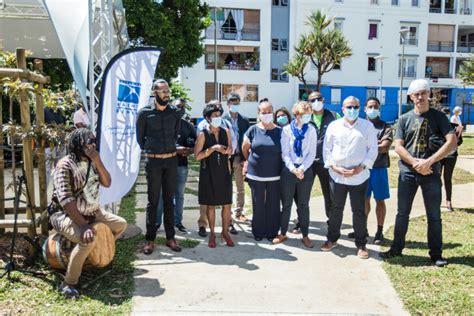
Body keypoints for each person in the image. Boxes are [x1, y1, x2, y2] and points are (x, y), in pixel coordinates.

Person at [379, 79, 457, 267]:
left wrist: (429, 161)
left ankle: (436, 254)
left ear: (428, 94)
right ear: (411, 97)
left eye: (423, 93)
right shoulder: (404, 119)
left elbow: (452, 141)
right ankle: (396, 249)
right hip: (408, 173)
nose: (420, 97)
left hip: (431, 173)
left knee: (434, 215)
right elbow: (398, 146)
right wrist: (416, 163)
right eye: (416, 94)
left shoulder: (439, 117)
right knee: (402, 213)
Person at [50, 128, 127, 298]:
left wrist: (97, 160)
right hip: (66, 215)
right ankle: (69, 282)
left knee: (121, 224)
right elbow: (66, 200)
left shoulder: (92, 161)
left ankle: (94, 255)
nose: (93, 144)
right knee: (87, 240)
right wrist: (84, 226)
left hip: (94, 212)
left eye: (94, 141)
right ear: (78, 143)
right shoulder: (65, 165)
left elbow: (107, 182)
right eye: (89, 141)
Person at [321, 96, 378, 259]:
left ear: (359, 108)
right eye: (348, 107)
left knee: (358, 210)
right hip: (337, 176)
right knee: (335, 209)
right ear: (343, 109)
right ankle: (332, 239)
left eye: (355, 107)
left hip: (359, 176)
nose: (351, 110)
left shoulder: (367, 127)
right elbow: (327, 150)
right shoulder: (334, 126)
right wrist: (334, 166)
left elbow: (372, 150)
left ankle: (361, 244)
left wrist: (361, 167)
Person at [136, 79, 182, 255]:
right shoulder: (144, 114)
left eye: (168, 91)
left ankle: (171, 238)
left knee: (170, 200)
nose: (166, 94)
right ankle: (150, 239)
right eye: (163, 91)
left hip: (171, 161)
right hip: (153, 162)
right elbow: (140, 140)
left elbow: (176, 134)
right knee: (153, 201)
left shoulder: (175, 113)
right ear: (154, 93)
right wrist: (153, 151)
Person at [291, 91, 340, 234]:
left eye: (318, 98)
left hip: (326, 162)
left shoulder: (334, 116)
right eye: (312, 100)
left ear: (323, 100)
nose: (316, 102)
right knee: (302, 195)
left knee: (329, 195)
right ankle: (301, 222)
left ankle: (332, 223)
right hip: (308, 163)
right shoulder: (306, 117)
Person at [347, 97, 393, 244]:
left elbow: (385, 147)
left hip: (379, 169)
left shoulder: (385, 127)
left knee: (380, 200)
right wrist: (374, 145)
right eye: (370, 107)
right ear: (365, 109)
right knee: (363, 200)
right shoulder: (359, 125)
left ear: (379, 109)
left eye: (376, 107)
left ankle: (379, 232)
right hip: (362, 169)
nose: (373, 109)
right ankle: (362, 230)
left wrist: (368, 146)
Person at [272, 101, 317, 248]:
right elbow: (285, 154)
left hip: (305, 171)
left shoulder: (311, 130)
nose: (308, 117)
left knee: (303, 205)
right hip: (289, 171)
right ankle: (283, 233)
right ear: (297, 115)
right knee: (286, 205)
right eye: (305, 114)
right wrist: (293, 169)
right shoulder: (286, 130)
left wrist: (302, 169)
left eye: (309, 114)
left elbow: (311, 154)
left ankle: (305, 235)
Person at [196, 100, 239, 237]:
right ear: (208, 117)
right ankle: (212, 233)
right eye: (214, 115)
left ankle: (225, 233)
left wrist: (228, 150)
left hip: (224, 171)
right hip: (208, 171)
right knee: (210, 204)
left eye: (219, 114)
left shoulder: (225, 131)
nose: (217, 117)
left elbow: (231, 149)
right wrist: (212, 149)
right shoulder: (203, 133)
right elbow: (197, 156)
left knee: (227, 203)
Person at [242, 101, 282, 241]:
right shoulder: (252, 130)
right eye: (263, 112)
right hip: (256, 175)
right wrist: (251, 161)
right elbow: (245, 148)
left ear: (273, 112)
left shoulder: (280, 131)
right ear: (258, 114)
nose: (266, 114)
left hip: (275, 175)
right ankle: (258, 232)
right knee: (257, 203)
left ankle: (272, 232)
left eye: (269, 111)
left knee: (273, 204)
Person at [156, 99, 196, 233]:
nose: (181, 109)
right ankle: (156, 223)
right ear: (171, 107)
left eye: (183, 107)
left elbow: (196, 143)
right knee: (162, 195)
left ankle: (177, 222)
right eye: (178, 106)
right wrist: (176, 149)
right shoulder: (163, 124)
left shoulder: (187, 125)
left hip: (181, 166)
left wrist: (189, 150)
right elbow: (157, 143)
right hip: (164, 165)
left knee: (179, 195)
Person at [222, 93, 250, 222]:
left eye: (237, 102)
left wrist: (246, 157)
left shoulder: (244, 120)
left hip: (239, 157)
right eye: (232, 102)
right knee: (226, 184)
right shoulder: (222, 119)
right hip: (226, 157)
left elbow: (248, 140)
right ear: (227, 103)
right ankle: (226, 211)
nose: (235, 104)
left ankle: (238, 211)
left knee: (240, 186)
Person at [440, 106, 463, 211]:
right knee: (436, 178)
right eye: (444, 113)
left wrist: (459, 134)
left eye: (447, 113)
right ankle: (436, 199)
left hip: (451, 156)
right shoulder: (436, 126)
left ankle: (448, 201)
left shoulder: (454, 126)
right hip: (438, 156)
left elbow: (458, 142)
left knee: (447, 178)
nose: (446, 115)